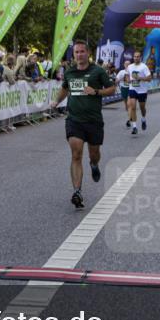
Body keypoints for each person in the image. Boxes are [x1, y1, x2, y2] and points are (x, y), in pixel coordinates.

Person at [50, 40, 116, 209]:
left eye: (82, 52)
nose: (79, 55)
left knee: (94, 154)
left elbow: (112, 89)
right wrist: (57, 101)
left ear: (88, 53)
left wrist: (96, 91)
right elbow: (65, 88)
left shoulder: (98, 71)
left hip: (94, 120)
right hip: (74, 120)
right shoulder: (70, 72)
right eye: (76, 52)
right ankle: (77, 191)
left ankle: (94, 164)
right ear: (74, 55)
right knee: (76, 154)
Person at [125, 50, 151, 135]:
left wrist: (140, 78)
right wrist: (128, 80)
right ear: (133, 57)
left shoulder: (144, 67)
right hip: (133, 88)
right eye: (135, 56)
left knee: (142, 108)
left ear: (140, 58)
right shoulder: (130, 66)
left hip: (142, 90)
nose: (136, 58)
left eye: (138, 56)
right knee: (132, 107)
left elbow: (149, 78)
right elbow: (127, 75)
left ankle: (143, 119)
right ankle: (134, 127)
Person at [116, 60, 132, 126]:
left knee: (129, 103)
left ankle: (129, 118)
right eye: (126, 64)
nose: (127, 65)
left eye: (129, 64)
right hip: (123, 88)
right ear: (124, 65)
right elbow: (116, 81)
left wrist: (130, 80)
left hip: (131, 88)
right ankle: (129, 112)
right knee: (126, 103)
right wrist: (121, 79)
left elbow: (136, 82)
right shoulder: (121, 72)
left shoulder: (132, 72)